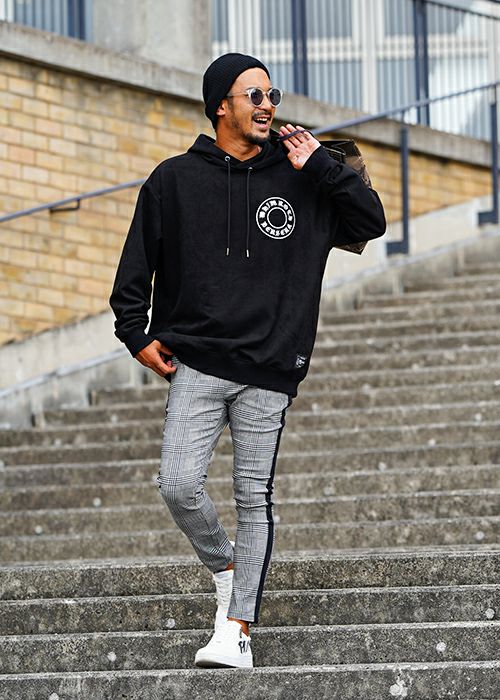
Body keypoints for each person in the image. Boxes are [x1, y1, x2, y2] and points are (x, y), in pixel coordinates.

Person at [109, 52, 386, 669]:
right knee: (178, 484)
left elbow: (371, 221)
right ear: (220, 106)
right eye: (254, 95)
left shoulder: (303, 173)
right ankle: (229, 568)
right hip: (197, 363)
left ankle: (236, 630)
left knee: (252, 496)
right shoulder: (174, 179)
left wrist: (322, 166)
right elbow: (135, 266)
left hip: (270, 367)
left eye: (272, 95)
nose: (268, 106)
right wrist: (134, 333)